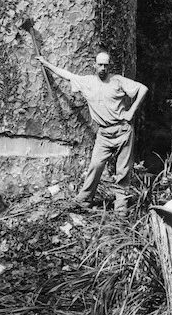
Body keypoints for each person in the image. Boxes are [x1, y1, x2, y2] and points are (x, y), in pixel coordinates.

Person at [36, 51, 148, 212]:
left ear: (110, 66)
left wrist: (131, 111)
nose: (103, 68)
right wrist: (46, 63)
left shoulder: (117, 81)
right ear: (94, 65)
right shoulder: (87, 82)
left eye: (106, 65)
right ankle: (85, 200)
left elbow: (142, 89)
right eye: (100, 64)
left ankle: (121, 207)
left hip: (123, 131)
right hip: (104, 134)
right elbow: (67, 75)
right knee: (95, 165)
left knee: (123, 170)